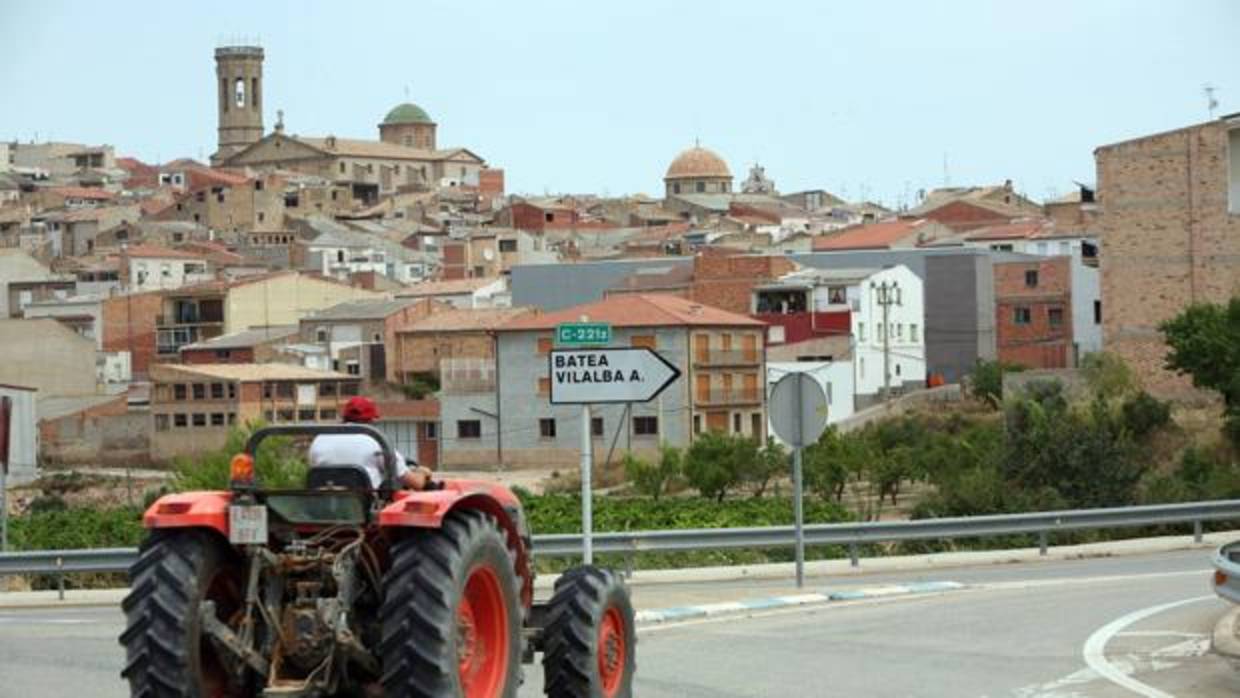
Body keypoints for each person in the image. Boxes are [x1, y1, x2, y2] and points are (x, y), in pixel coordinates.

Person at [308, 396, 433, 490]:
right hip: (365, 512)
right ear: (371, 420)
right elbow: (415, 483)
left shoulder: (320, 439)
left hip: (322, 509)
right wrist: (423, 472)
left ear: (344, 417)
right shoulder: (375, 441)